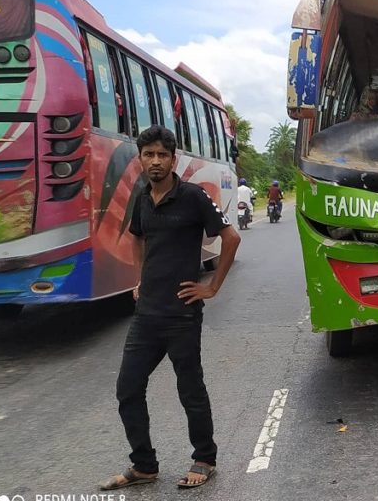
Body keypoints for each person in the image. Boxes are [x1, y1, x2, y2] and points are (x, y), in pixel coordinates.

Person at [100, 125, 241, 491]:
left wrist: (212, 287)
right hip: (146, 316)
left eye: (163, 155)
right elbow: (137, 238)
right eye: (149, 154)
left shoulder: (193, 196)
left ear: (173, 159)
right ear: (140, 159)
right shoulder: (142, 198)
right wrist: (140, 278)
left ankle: (204, 458)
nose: (156, 161)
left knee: (190, 389)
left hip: (182, 315)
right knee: (128, 388)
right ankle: (144, 466)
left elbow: (231, 237)